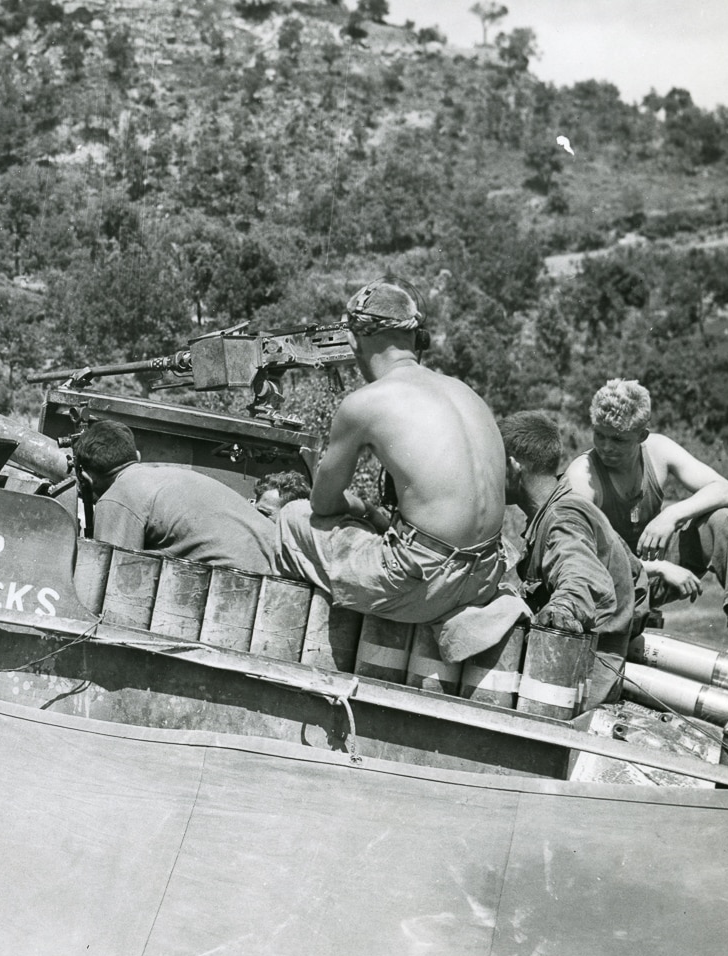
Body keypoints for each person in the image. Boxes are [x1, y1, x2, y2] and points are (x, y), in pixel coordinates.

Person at [273, 275, 507, 621]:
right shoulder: (465, 392)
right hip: (485, 576)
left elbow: (322, 504)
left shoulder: (364, 404)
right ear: (416, 339)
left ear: (353, 340)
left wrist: (365, 510)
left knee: (293, 517)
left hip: (424, 584)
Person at [565, 378, 728, 628]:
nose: (606, 447)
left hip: (653, 574)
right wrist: (659, 568)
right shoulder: (583, 476)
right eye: (600, 435)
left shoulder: (658, 450)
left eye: (618, 440)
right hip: (609, 585)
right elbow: (584, 559)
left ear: (641, 436)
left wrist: (671, 515)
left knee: (722, 519)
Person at [501, 410, 645, 707]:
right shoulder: (560, 512)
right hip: (579, 674)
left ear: (513, 467)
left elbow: (579, 574)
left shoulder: (563, 516)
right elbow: (635, 574)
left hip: (574, 683)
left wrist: (565, 608)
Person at [72, 420, 278, 574]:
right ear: (137, 456)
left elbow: (111, 577)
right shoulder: (174, 476)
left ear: (86, 478)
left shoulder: (117, 497)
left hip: (237, 586)